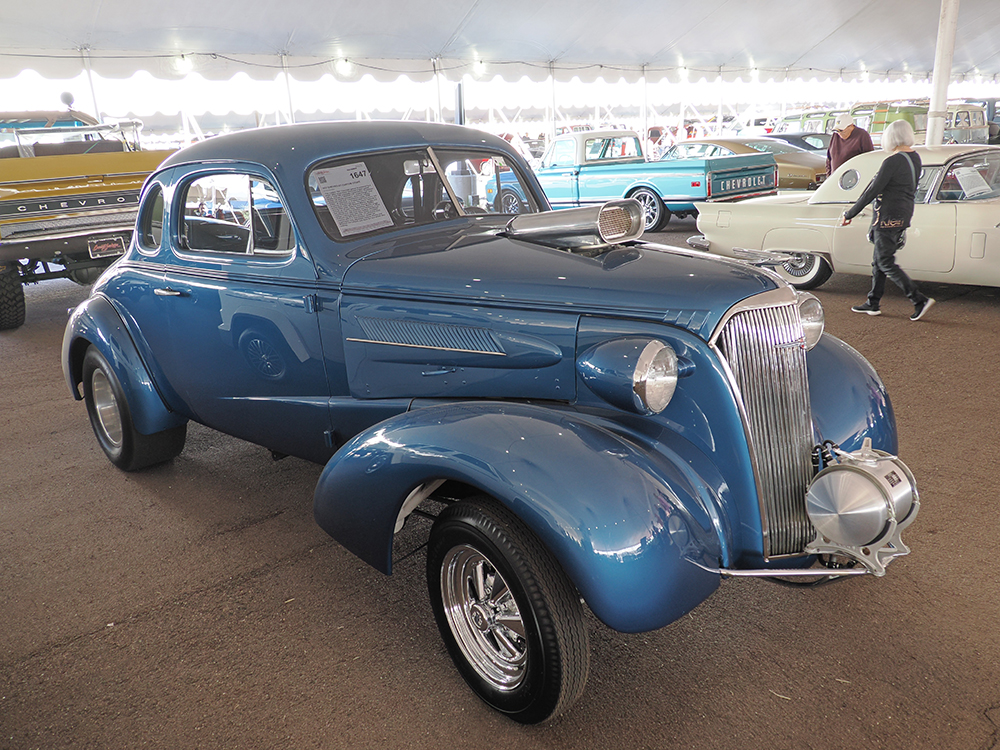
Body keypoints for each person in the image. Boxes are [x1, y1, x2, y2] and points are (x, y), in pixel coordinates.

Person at [840, 119, 935, 321]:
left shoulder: (892, 161)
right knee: (879, 260)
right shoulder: (914, 158)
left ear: (891, 137)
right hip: (903, 214)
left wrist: (850, 213)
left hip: (887, 217)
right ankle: (873, 302)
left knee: (885, 261)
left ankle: (919, 299)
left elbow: (872, 191)